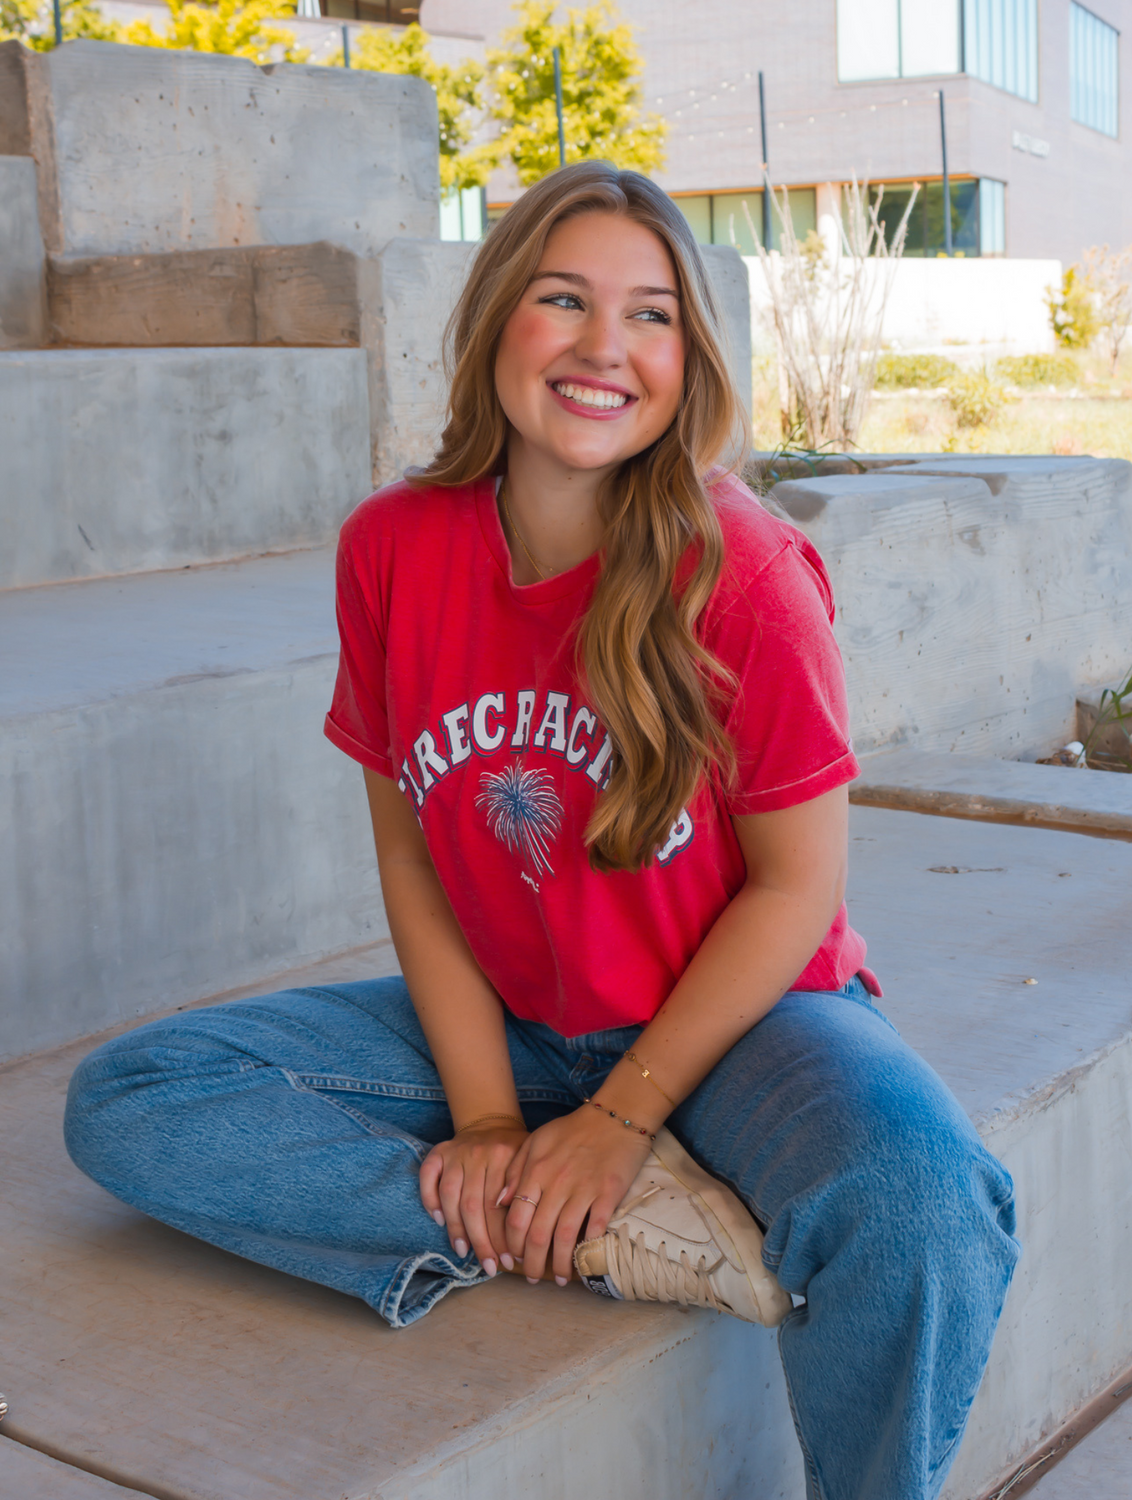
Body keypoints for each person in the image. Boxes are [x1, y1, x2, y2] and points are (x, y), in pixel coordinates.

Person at [64, 162, 1019, 1500]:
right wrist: (491, 1119)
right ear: (498, 320)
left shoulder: (746, 573)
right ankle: (608, 1235)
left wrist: (623, 1116)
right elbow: (414, 857)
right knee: (135, 1101)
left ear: (690, 359)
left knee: (922, 1201)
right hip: (516, 1017)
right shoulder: (392, 548)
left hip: (745, 1020)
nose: (602, 349)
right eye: (564, 300)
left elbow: (799, 891)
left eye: (650, 316)